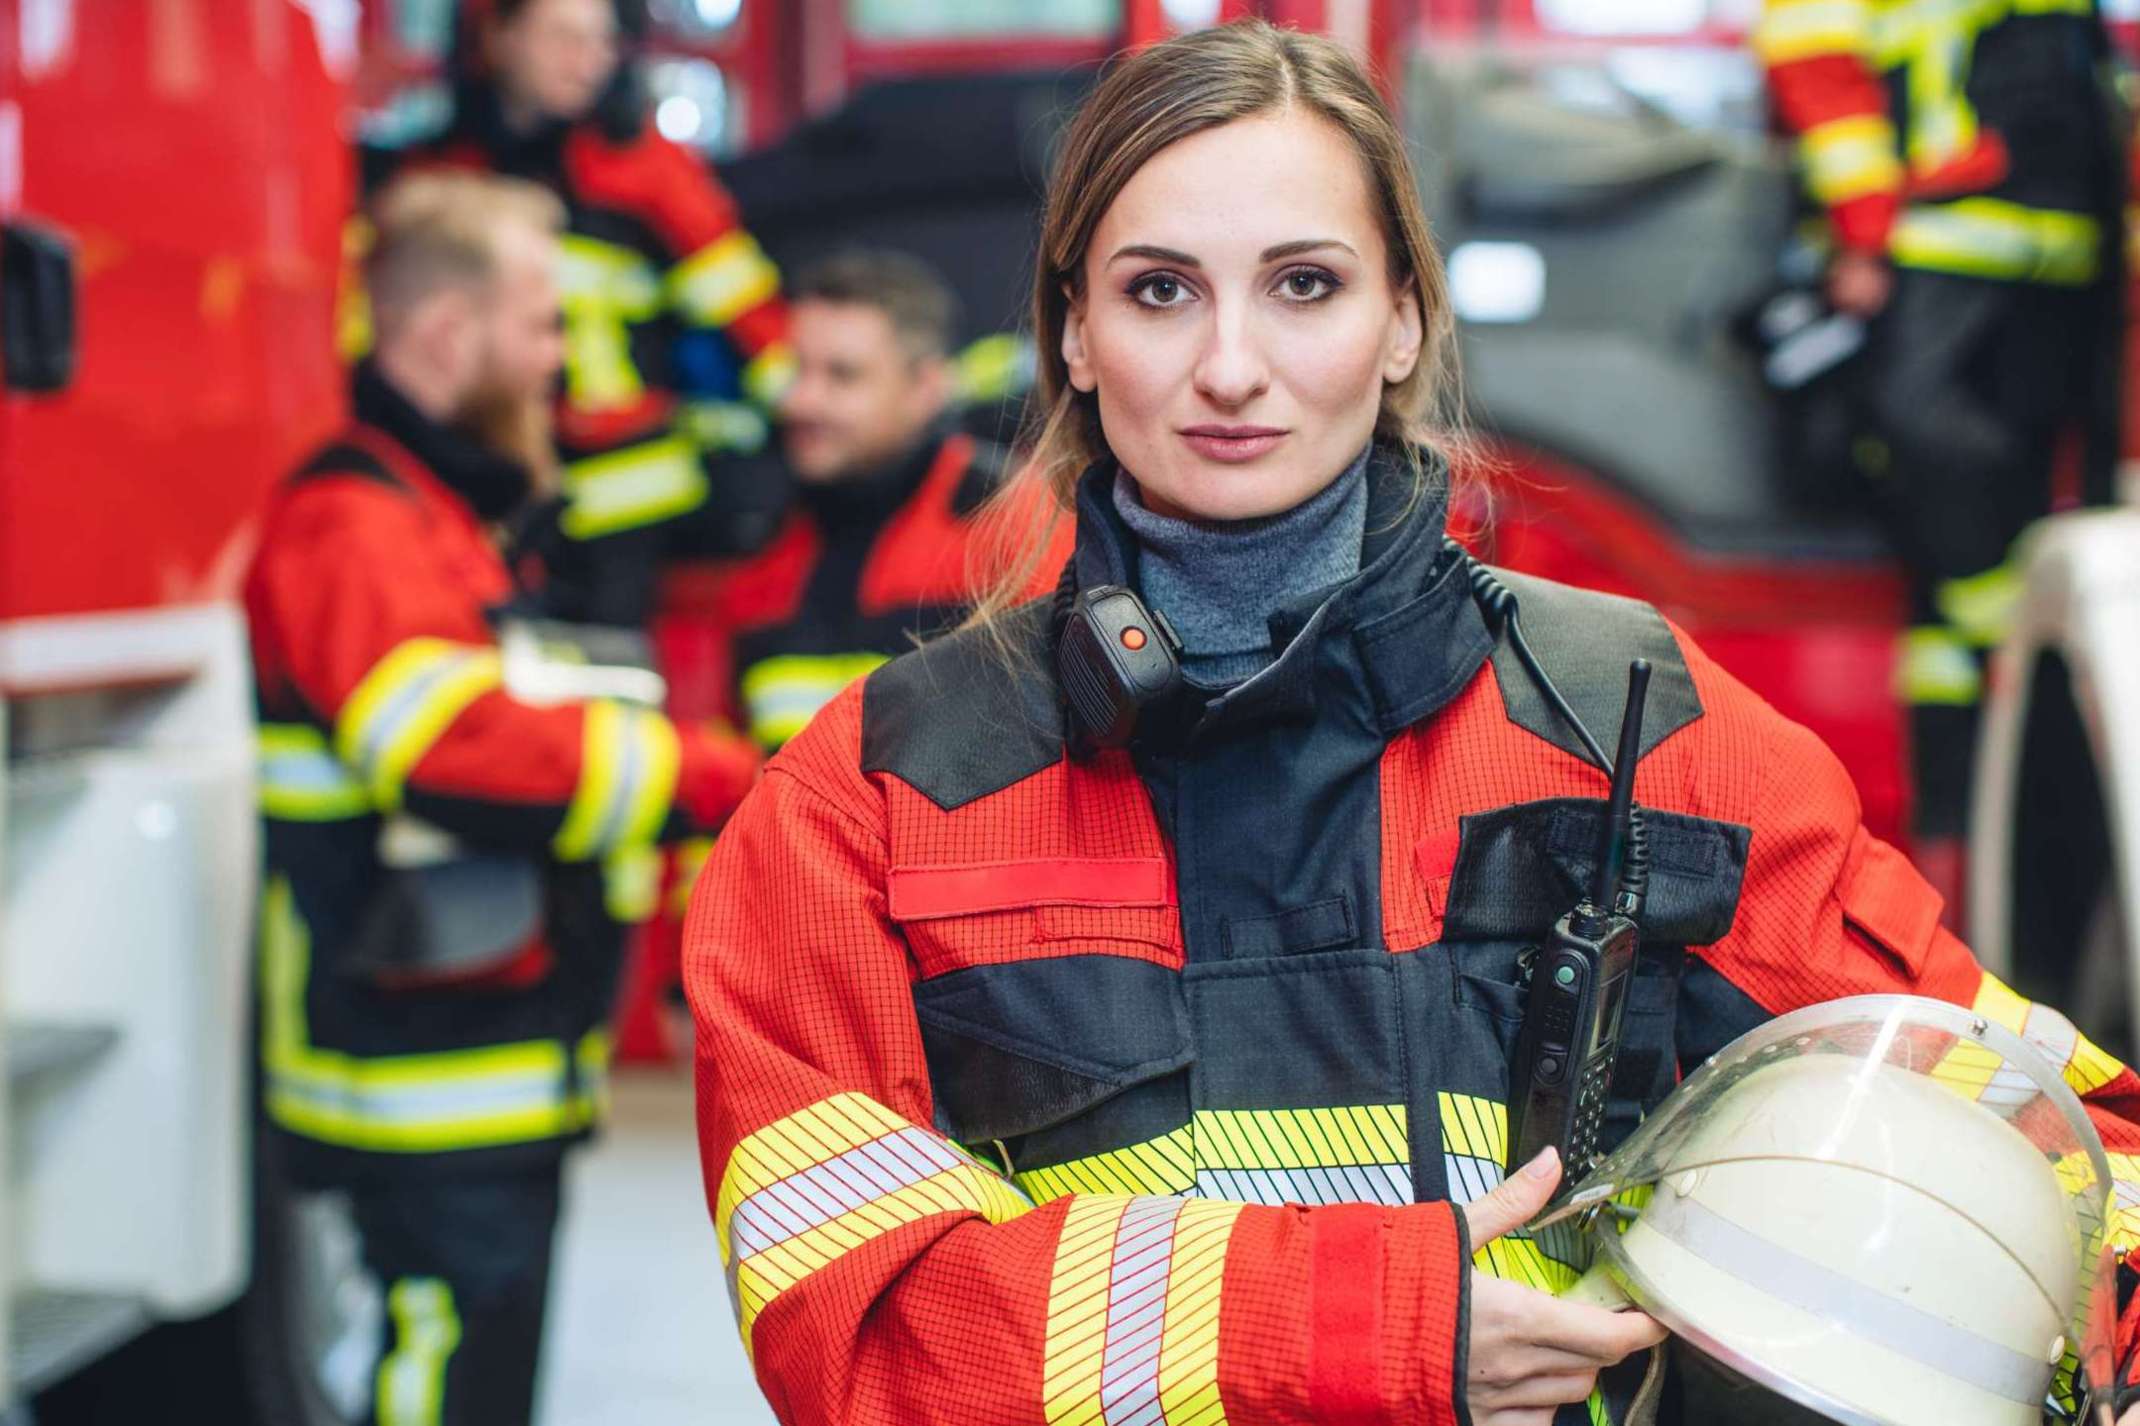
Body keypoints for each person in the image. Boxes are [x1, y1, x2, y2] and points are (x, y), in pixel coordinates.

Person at [682, 22, 2140, 1426]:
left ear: (1404, 323)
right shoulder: (867, 806)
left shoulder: (1642, 733)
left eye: (1305, 285)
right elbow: (856, 1329)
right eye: (1160, 290)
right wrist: (1382, 1327)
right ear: (1072, 333)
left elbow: (2040, 1127)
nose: (1232, 366)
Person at [246, 171, 758, 1426]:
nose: (560, 362)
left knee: (475, 1362)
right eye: (540, 324)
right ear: (443, 334)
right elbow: (457, 749)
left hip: (473, 1048)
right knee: (447, 1372)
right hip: (416, 1067)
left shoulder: (432, 515)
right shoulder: (353, 526)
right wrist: (710, 776)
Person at [1753, 0, 2124, 879]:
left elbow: (1814, 57)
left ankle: (1987, 809)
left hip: (2003, 258)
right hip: (2000, 258)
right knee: (1955, 544)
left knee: (1971, 523)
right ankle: (1961, 820)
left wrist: (1865, 229)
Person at [397, 0, 796, 629]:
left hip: (626, 482)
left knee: (610, 670)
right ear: (497, 37)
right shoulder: (439, 169)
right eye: (562, 37)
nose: (587, 61)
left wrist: (810, 425)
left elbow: (748, 312)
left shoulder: (649, 169)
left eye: (601, 42)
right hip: (485, 475)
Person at [673, 247, 1022, 752]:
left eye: (842, 376)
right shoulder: (752, 540)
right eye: (797, 371)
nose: (801, 401)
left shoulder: (1010, 523)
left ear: (926, 388)